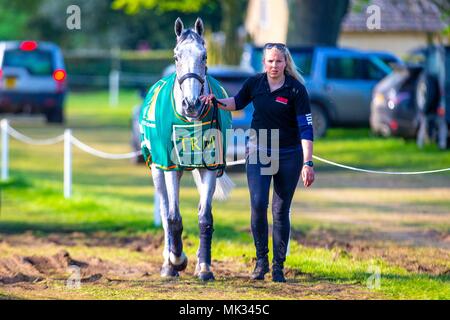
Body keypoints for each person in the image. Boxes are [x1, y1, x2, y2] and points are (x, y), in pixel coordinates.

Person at [201, 43, 315, 282]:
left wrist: (308, 163)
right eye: (270, 61)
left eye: (279, 61)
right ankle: (261, 261)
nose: (274, 66)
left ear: (286, 63)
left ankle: (278, 267)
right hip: (260, 147)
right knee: (258, 203)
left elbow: (306, 128)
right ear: (264, 62)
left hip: (289, 153)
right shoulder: (255, 83)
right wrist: (217, 101)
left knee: (280, 210)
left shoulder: (296, 89)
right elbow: (237, 103)